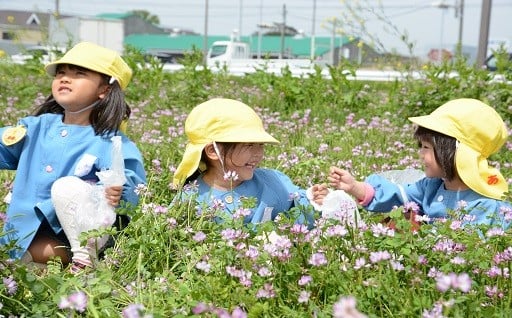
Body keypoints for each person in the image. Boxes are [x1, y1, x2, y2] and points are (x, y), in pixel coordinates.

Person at [0, 42, 147, 271]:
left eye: (79, 74)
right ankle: (29, 265)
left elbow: (130, 182)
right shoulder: (36, 127)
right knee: (18, 256)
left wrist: (119, 190)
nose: (65, 79)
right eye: (61, 73)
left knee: (67, 187)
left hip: (75, 237)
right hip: (26, 231)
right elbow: (4, 144)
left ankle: (84, 261)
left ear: (105, 90)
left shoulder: (111, 141)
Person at [172, 98, 358, 227]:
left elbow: (298, 212)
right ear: (213, 151)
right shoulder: (190, 198)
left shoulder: (272, 181)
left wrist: (313, 200)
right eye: (249, 145)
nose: (258, 154)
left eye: (260, 145)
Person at [328, 98, 511, 228]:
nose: (421, 154)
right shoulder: (431, 186)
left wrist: (420, 234)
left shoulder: (484, 204)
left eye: (426, 147)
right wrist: (355, 187)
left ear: (455, 153)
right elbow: (398, 195)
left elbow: (468, 249)